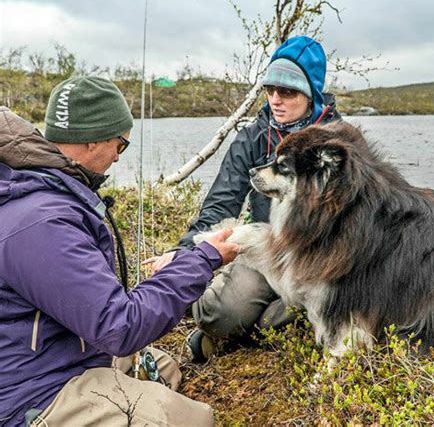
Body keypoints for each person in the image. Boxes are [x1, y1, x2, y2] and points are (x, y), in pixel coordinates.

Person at [0, 76, 240, 426]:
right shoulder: (41, 223)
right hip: (32, 392)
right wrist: (202, 259)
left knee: (163, 368)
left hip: (62, 350)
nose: (117, 156)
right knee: (192, 419)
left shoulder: (45, 185)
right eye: (120, 144)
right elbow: (120, 326)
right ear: (93, 138)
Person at [180, 36, 342, 361]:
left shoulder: (337, 143)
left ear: (310, 93)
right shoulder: (252, 137)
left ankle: (260, 325)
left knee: (330, 301)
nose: (276, 100)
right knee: (219, 316)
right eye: (270, 90)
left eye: (288, 91)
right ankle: (248, 323)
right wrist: (182, 260)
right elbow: (221, 203)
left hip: (317, 260)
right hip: (265, 251)